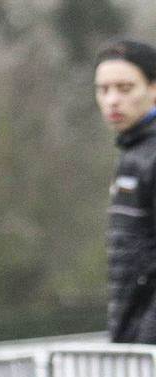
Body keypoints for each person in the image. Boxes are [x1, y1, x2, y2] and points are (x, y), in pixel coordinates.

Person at [95, 38, 156, 344]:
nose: (112, 100)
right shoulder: (133, 152)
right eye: (103, 89)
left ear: (153, 88)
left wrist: (145, 343)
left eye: (125, 88)